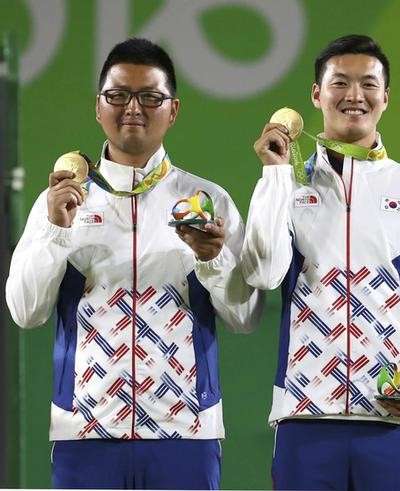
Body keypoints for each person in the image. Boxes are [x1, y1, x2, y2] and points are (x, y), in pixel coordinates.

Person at [5, 37, 263, 489]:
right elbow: (26, 312)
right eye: (118, 95)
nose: (133, 108)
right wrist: (56, 230)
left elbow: (246, 317)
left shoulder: (208, 200)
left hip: (187, 431)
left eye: (150, 97)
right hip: (84, 429)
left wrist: (213, 259)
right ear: (98, 106)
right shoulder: (61, 202)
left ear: (173, 110)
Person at [242, 34, 400, 490]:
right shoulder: (285, 185)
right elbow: (263, 274)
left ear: (385, 96)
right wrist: (274, 175)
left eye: (368, 83)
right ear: (316, 94)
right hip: (304, 421)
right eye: (340, 82)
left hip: (395, 421)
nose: (354, 95)